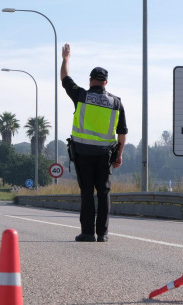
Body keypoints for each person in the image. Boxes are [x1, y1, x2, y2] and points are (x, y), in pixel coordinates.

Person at [60, 43, 128, 242]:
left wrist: (66, 58)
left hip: (82, 153)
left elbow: (65, 78)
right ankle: (103, 234)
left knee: (87, 192)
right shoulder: (116, 103)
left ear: (91, 80)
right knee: (104, 192)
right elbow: (122, 133)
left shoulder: (81, 96)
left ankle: (88, 233)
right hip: (104, 155)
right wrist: (119, 154)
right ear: (106, 82)